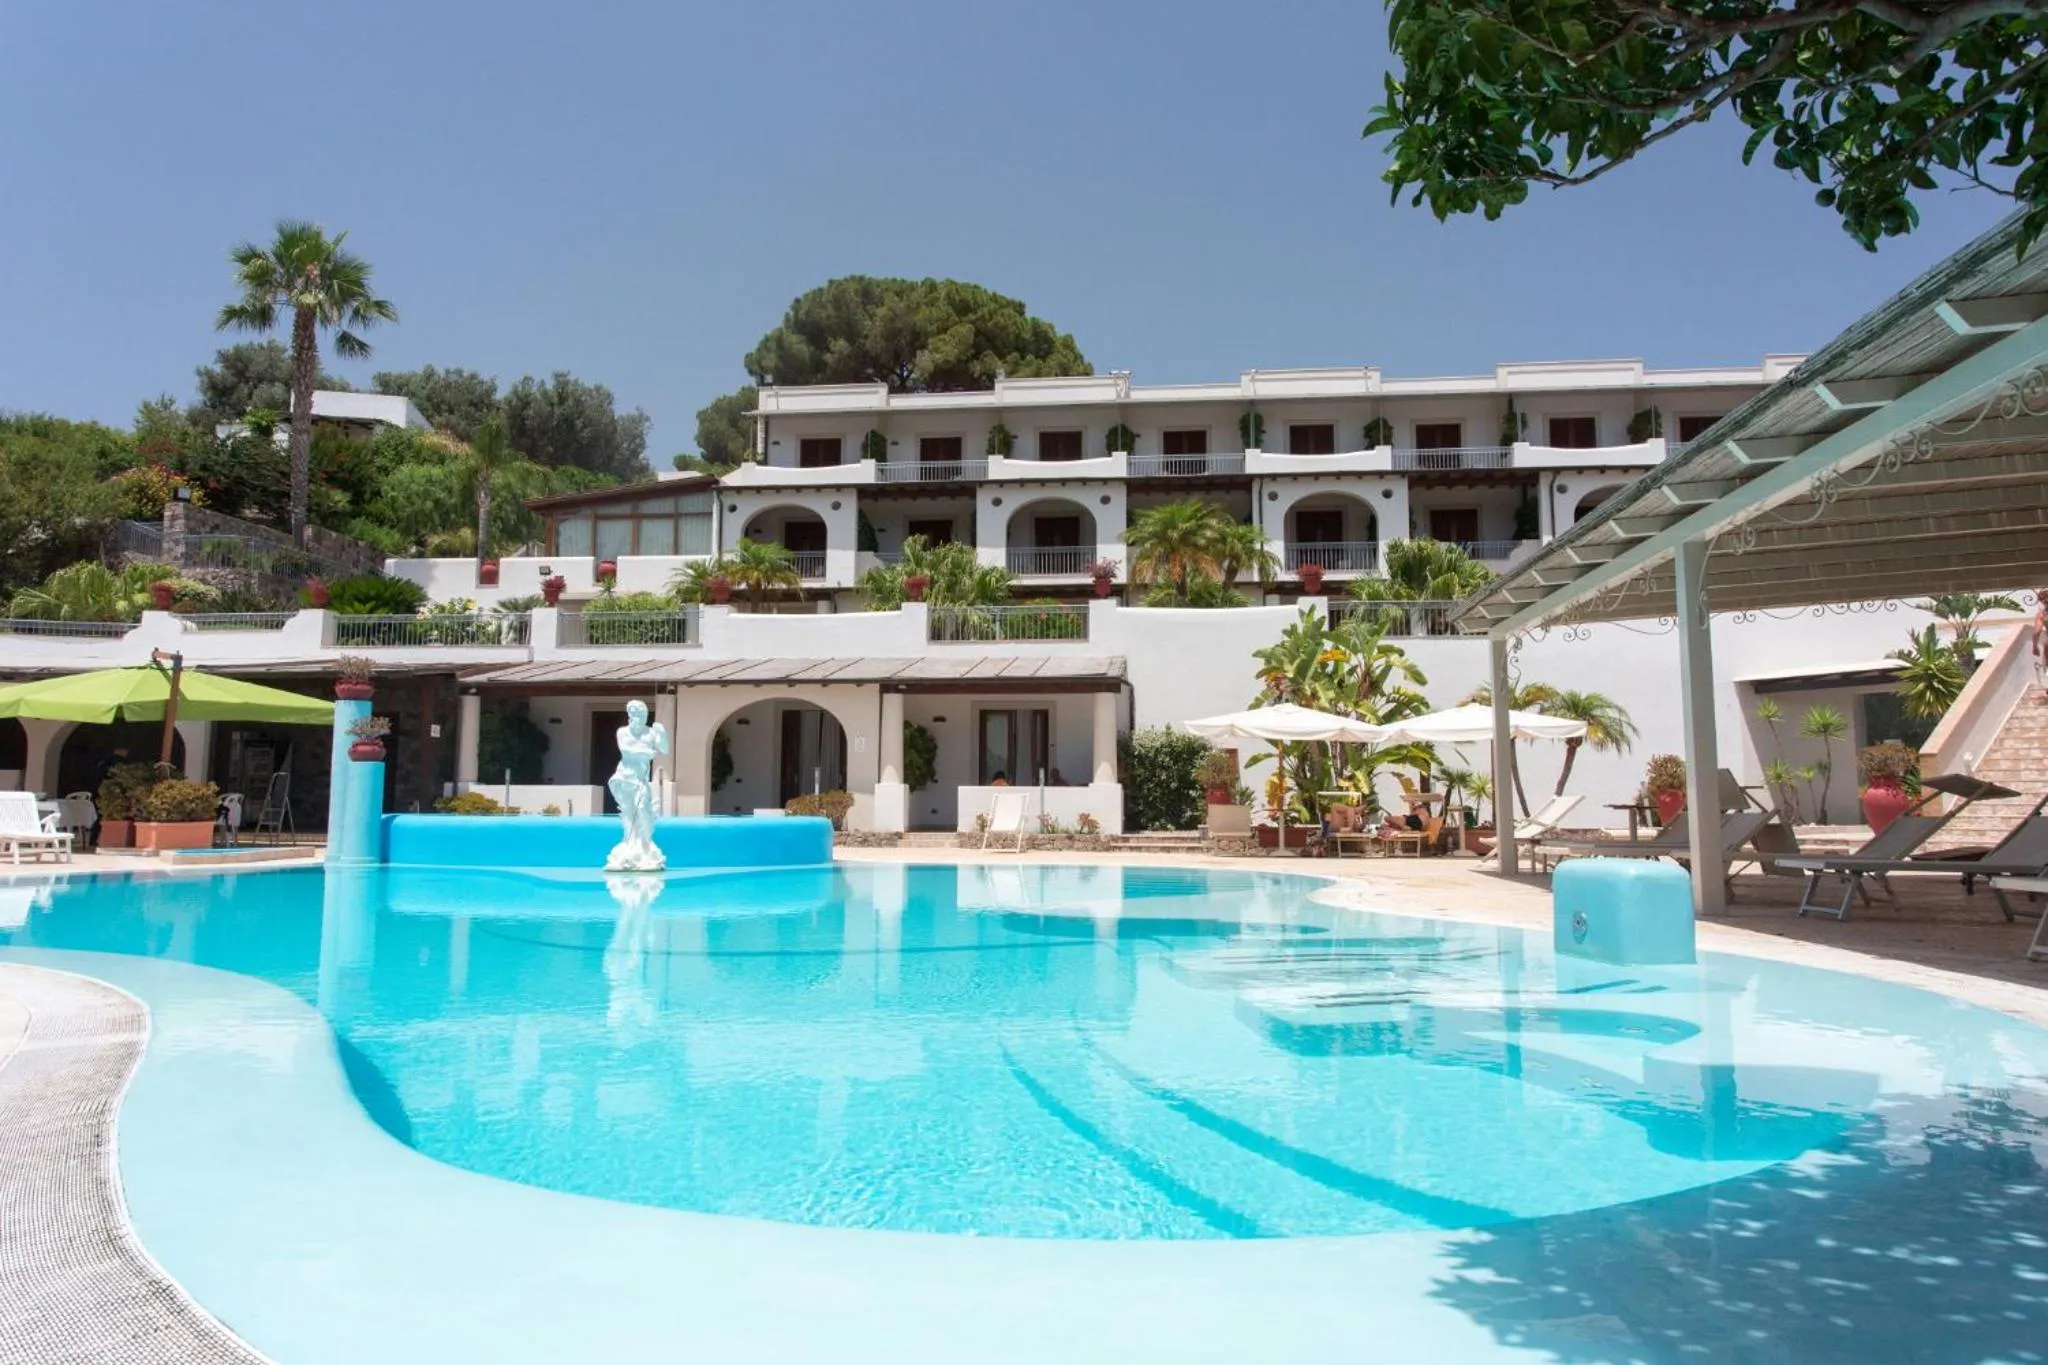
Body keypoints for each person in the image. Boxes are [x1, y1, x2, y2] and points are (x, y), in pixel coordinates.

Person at [605, 700, 671, 872]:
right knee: (627, 811)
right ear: (630, 715)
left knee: (642, 808)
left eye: (643, 715)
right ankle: (629, 842)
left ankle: (646, 844)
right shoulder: (623, 732)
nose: (640, 718)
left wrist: (661, 733)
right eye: (636, 714)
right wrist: (646, 753)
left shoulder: (650, 733)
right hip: (624, 776)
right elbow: (626, 750)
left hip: (640, 779)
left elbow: (664, 750)